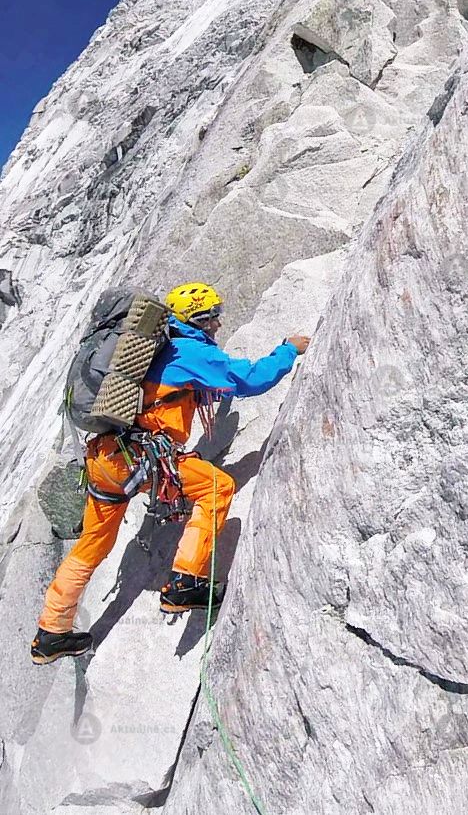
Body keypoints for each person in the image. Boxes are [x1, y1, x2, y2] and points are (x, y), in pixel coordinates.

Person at [31, 282, 310, 665]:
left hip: (106, 458)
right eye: (214, 316)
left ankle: (51, 632)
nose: (218, 323)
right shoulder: (189, 351)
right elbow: (250, 380)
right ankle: (186, 582)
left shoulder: (153, 350)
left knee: (91, 545)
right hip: (142, 458)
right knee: (218, 486)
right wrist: (288, 350)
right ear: (203, 319)